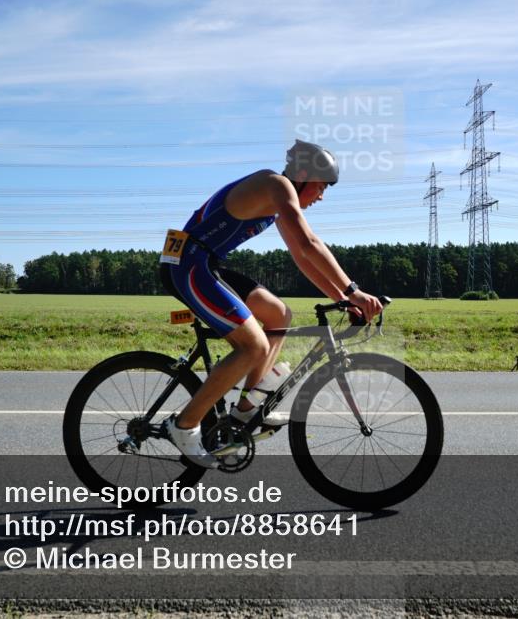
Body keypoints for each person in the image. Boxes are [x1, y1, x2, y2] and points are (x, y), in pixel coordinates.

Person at [159, 139, 383, 468]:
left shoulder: (276, 200)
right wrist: (353, 290)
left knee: (280, 314)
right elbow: (310, 243)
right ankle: (184, 425)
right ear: (303, 176)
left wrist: (342, 299)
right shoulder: (275, 185)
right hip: (188, 265)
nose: (322, 196)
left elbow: (303, 258)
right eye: (321, 187)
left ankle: (246, 410)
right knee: (253, 347)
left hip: (205, 263)